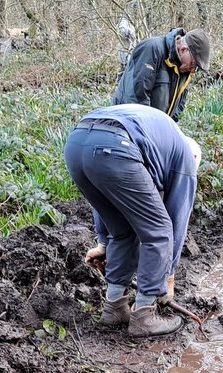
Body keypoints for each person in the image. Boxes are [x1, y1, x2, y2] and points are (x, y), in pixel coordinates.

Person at [64, 104, 201, 338]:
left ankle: (114, 308)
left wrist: (104, 244)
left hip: (76, 144)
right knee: (158, 232)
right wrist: (168, 274)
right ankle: (145, 317)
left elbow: (108, 202)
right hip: (116, 147)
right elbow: (175, 221)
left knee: (122, 230)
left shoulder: (158, 141)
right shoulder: (186, 158)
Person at [112, 28, 211, 122]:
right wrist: (149, 131)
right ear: (184, 49)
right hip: (126, 124)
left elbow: (177, 108)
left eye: (197, 68)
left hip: (154, 128)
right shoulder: (152, 49)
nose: (193, 70)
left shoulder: (184, 69)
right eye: (194, 64)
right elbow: (137, 97)